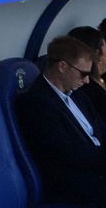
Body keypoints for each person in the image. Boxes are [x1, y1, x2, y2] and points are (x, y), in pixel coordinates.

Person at [14, 35, 106, 207]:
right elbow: (68, 153)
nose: (87, 80)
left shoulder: (78, 95)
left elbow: (100, 128)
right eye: (83, 74)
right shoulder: (36, 103)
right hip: (76, 185)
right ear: (62, 66)